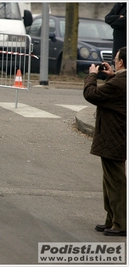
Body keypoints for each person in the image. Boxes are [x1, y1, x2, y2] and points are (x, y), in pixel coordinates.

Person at [83, 47, 127, 236]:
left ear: (121, 62)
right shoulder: (120, 80)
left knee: (115, 181)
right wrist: (111, 75)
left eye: (116, 58)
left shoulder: (120, 83)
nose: (114, 61)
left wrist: (92, 75)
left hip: (114, 136)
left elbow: (92, 95)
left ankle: (120, 223)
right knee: (109, 180)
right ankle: (111, 219)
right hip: (114, 136)